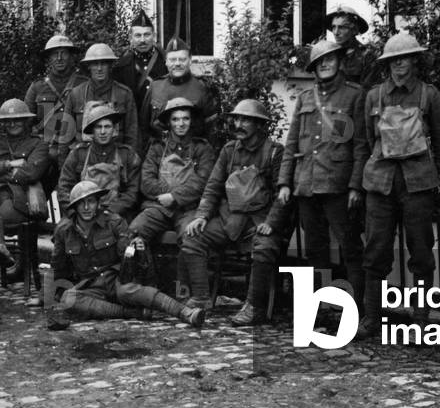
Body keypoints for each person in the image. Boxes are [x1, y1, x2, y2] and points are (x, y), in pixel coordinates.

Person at [231, 41, 369, 326]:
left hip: (339, 184)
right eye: (320, 62)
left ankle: (357, 310)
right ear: (314, 68)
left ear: (339, 62)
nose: (326, 64)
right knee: (315, 249)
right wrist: (285, 182)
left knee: (350, 247)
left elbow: (360, 145)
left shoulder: (354, 96)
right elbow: (292, 143)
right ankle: (320, 308)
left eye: (330, 59)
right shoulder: (306, 98)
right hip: (306, 184)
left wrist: (356, 186)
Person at [356, 33, 440, 338]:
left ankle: (420, 319)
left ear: (415, 61)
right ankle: (372, 318)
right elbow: (367, 141)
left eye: (405, 58)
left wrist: (427, 172)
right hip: (381, 183)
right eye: (394, 60)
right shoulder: (373, 96)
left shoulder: (428, 95)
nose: (400, 65)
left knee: (421, 251)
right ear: (387, 64)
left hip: (417, 185)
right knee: (375, 250)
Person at [48, 175, 206, 328]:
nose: (87, 207)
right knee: (69, 298)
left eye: (91, 201)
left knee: (129, 291)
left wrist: (136, 250)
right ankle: (131, 313)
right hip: (91, 286)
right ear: (75, 207)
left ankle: (186, 313)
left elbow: (128, 255)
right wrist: (47, 296)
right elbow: (57, 267)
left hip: (117, 281)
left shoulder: (113, 222)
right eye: (81, 203)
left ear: (98, 202)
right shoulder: (64, 230)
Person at [181, 99, 285, 312]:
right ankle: (201, 297)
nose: (238, 124)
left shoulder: (275, 152)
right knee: (192, 236)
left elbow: (282, 195)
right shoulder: (229, 150)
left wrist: (271, 223)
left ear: (259, 125)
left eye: (246, 120)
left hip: (260, 222)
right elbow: (213, 186)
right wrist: (202, 216)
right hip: (230, 220)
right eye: (236, 118)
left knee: (264, 247)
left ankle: (253, 308)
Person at [0, 99, 50, 307]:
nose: (12, 124)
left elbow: (32, 172)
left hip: (19, 200)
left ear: (25, 121)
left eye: (17, 120)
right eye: (8, 120)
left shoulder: (37, 144)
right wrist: (9, 165)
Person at [129, 98, 216, 253]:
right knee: (134, 232)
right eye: (175, 119)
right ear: (169, 122)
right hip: (159, 207)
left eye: (185, 119)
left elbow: (203, 182)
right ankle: (144, 275)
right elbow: (147, 182)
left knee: (191, 237)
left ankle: (188, 277)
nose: (180, 124)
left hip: (189, 209)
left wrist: (175, 197)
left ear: (192, 121)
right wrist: (167, 196)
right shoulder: (157, 147)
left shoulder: (202, 148)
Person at [24, 35, 88, 196]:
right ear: (48, 59)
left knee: (76, 198)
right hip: (44, 152)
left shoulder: (85, 84)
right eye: (54, 54)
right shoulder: (37, 87)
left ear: (72, 56)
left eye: (64, 53)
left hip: (75, 151)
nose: (59, 58)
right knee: (31, 201)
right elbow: (25, 123)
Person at [57, 104, 141, 219]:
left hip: (116, 214)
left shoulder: (126, 155)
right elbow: (63, 188)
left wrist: (112, 211)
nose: (103, 132)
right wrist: (76, 213)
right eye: (98, 127)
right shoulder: (78, 154)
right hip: (83, 213)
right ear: (92, 130)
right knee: (62, 231)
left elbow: (132, 192)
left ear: (114, 129)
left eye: (107, 127)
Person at [140, 37, 218, 146]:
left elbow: (211, 131)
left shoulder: (202, 88)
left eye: (182, 59)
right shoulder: (155, 86)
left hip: (192, 154)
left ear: (190, 60)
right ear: (166, 61)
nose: (177, 64)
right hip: (160, 153)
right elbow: (143, 126)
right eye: (172, 59)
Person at [69, 43, 139, 150]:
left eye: (104, 64)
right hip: (83, 157)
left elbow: (132, 133)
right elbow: (65, 134)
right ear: (89, 66)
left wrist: (132, 160)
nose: (99, 68)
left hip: (116, 157)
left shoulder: (124, 94)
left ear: (110, 66)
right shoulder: (76, 94)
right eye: (95, 64)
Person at [112, 9, 167, 113]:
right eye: (138, 35)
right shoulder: (122, 65)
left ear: (154, 36)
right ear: (130, 37)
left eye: (147, 35)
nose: (142, 40)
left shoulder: (165, 61)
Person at [325, 4, 371, 85]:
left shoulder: (366, 56)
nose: (336, 32)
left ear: (354, 30)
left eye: (341, 27)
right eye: (333, 27)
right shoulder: (330, 54)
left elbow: (368, 90)